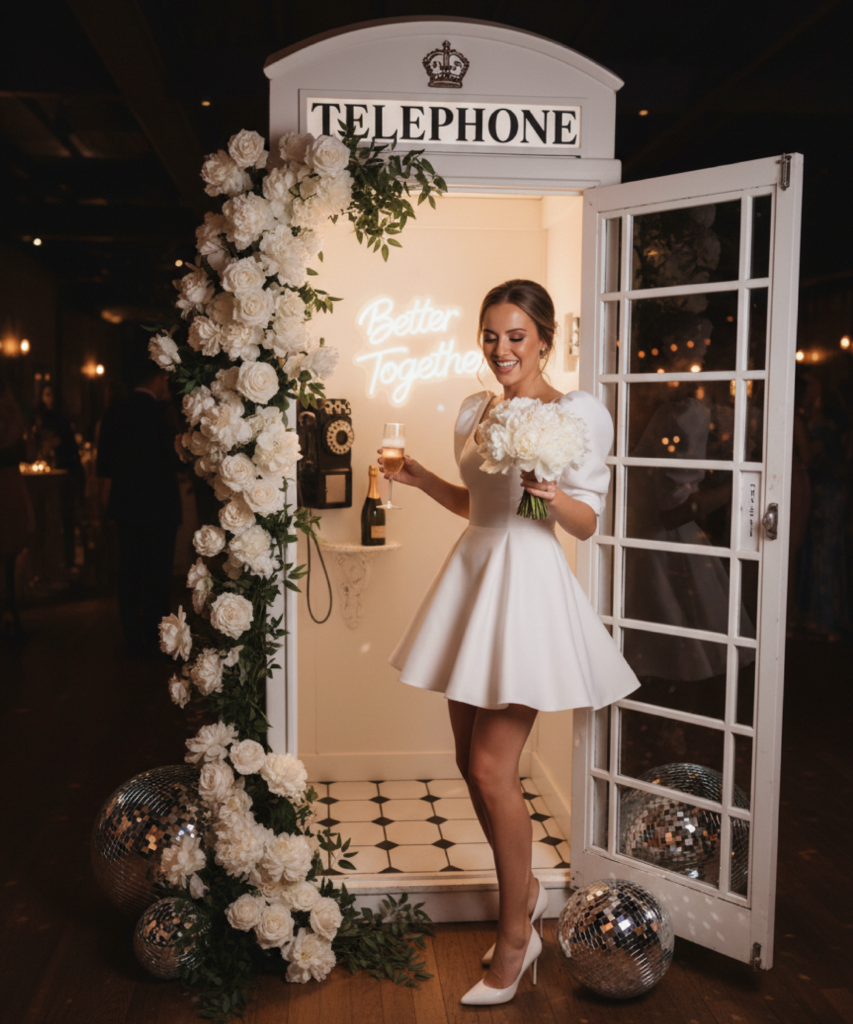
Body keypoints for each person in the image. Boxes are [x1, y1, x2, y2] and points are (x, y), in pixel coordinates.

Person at [381, 280, 640, 1006]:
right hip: (472, 575)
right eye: (490, 335)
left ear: (545, 340)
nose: (501, 349)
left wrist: (548, 491)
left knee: (495, 770)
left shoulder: (577, 411)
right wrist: (416, 476)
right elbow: (475, 504)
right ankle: (520, 896)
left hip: (525, 587)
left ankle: (517, 938)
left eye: (516, 336)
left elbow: (586, 523)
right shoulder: (475, 409)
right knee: (470, 764)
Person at [97, 363, 182, 658]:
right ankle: (157, 637)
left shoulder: (114, 413)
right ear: (159, 380)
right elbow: (176, 461)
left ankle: (133, 638)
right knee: (159, 576)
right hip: (160, 507)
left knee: (130, 574)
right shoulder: (162, 415)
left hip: (127, 507)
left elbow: (104, 465)